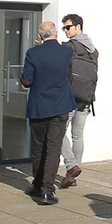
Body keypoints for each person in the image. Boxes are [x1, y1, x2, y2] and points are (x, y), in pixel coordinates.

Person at [20, 21, 74, 206]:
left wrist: (38, 50)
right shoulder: (67, 51)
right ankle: (47, 190)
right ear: (56, 33)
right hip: (60, 104)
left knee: (38, 148)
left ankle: (37, 184)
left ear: (40, 35)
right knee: (53, 149)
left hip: (38, 106)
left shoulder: (33, 53)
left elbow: (27, 80)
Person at [57, 13, 98, 189]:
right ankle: (73, 175)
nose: (65, 30)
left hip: (70, 98)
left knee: (58, 132)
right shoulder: (93, 50)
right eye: (64, 27)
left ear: (78, 27)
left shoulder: (68, 47)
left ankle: (71, 165)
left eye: (68, 27)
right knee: (78, 136)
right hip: (86, 98)